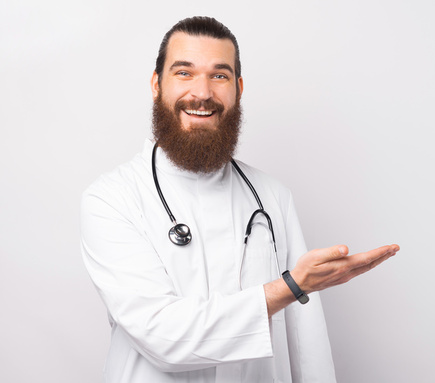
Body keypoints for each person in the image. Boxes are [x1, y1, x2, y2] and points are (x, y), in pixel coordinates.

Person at [81, 16, 399, 383]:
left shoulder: (272, 196)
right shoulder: (111, 199)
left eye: (219, 75)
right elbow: (161, 335)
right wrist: (290, 287)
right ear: (157, 85)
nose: (202, 93)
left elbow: (305, 337)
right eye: (184, 73)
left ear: (238, 88)